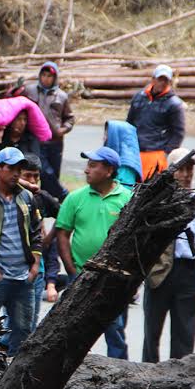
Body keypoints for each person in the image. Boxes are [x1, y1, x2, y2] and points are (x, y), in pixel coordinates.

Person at [55, 146, 133, 359]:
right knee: (73, 331)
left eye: (92, 165)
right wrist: (71, 270)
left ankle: (118, 374)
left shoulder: (127, 198)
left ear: (108, 171)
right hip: (80, 276)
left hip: (113, 280)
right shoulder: (75, 198)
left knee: (114, 330)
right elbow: (62, 234)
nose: (86, 170)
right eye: (87, 165)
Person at [143, 148, 195, 363]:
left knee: (185, 330)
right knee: (152, 331)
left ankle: (181, 375)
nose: (186, 174)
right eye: (181, 169)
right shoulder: (158, 200)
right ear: (171, 171)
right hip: (160, 271)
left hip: (190, 271)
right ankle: (147, 374)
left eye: (189, 169)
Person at [0, 147, 42, 356]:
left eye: (19, 169)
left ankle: (14, 379)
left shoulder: (27, 198)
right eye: (11, 168)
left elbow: (36, 232)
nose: (16, 173)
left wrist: (35, 265)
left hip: (23, 278)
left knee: (23, 331)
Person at [24, 62, 75, 200]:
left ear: (55, 78)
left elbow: (70, 118)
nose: (46, 78)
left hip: (55, 142)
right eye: (44, 75)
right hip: (36, 139)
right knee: (46, 172)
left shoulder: (62, 96)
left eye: (50, 76)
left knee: (53, 176)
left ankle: (48, 204)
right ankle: (65, 195)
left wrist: (62, 130)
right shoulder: (29, 91)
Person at [127, 64, 185, 181]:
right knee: (130, 186)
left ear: (170, 82)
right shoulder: (139, 97)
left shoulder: (174, 104)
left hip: (157, 154)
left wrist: (166, 154)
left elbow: (178, 132)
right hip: (135, 151)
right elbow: (129, 123)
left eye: (166, 80)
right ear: (153, 79)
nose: (162, 83)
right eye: (160, 79)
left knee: (149, 190)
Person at [19, 154, 61, 313]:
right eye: (27, 175)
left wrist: (49, 238)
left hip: (37, 268)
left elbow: (64, 216)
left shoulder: (41, 197)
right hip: (11, 267)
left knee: (30, 320)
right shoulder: (9, 194)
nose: (32, 180)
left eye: (35, 176)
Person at [103, 120, 143, 188]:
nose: (103, 138)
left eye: (107, 135)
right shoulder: (123, 158)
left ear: (115, 136)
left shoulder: (125, 165)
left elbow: (125, 190)